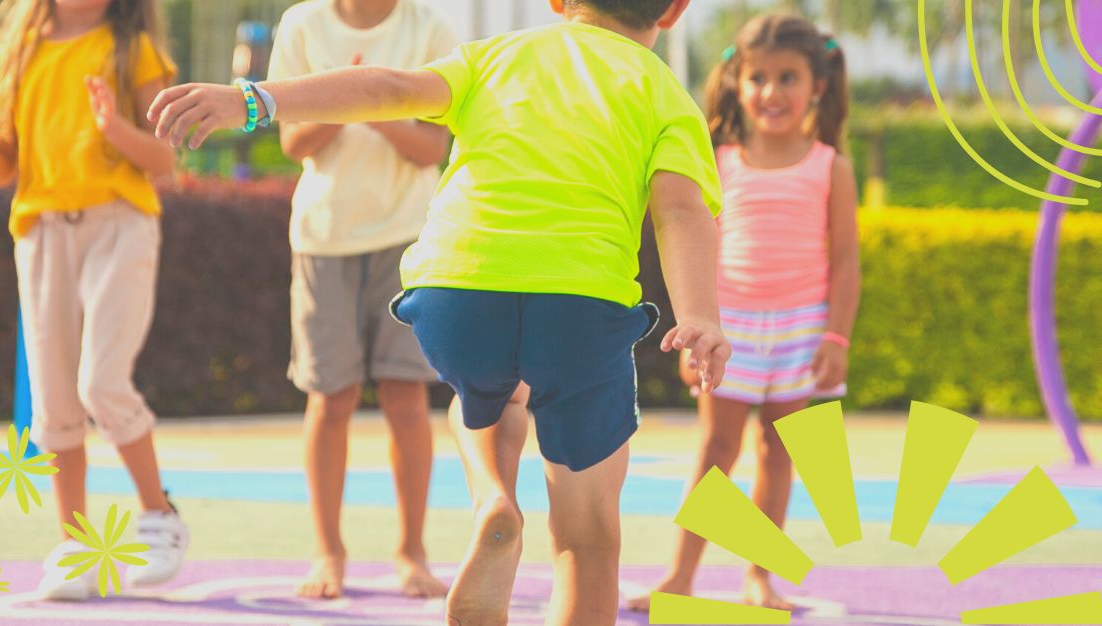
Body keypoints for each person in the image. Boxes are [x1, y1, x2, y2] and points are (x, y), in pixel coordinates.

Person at [147, 0, 731, 623]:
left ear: (559, 2)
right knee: (587, 538)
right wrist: (699, 314)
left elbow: (389, 87)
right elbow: (680, 209)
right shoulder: (667, 94)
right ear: (674, 11)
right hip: (580, 306)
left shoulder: (497, 54)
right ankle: (513, 515)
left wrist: (254, 100)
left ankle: (491, 500)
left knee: (489, 396)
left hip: (459, 290)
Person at [0, 0, 185, 601]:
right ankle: (73, 545)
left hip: (120, 224)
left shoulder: (132, 49)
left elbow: (165, 160)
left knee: (102, 383)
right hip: (41, 233)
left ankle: (159, 517)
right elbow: (1, 166)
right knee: (55, 398)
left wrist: (115, 129)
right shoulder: (17, 49)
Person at [628, 12, 861, 613]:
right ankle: (680, 575)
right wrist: (695, 329)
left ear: (817, 85)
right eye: (758, 78)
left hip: (801, 331)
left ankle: (761, 575)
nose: (771, 92)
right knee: (715, 451)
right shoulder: (719, 157)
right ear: (737, 81)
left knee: (780, 454)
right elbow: (689, 243)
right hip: (728, 329)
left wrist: (836, 337)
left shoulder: (830, 166)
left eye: (788, 78)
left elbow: (845, 264)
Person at [265, 0, 458, 600]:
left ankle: (411, 551)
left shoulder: (431, 28)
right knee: (330, 397)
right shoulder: (301, 25)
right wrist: (360, 97)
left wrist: (372, 100)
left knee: (407, 396)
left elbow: (432, 148)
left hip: (410, 239)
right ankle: (328, 551)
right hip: (323, 237)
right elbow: (294, 140)